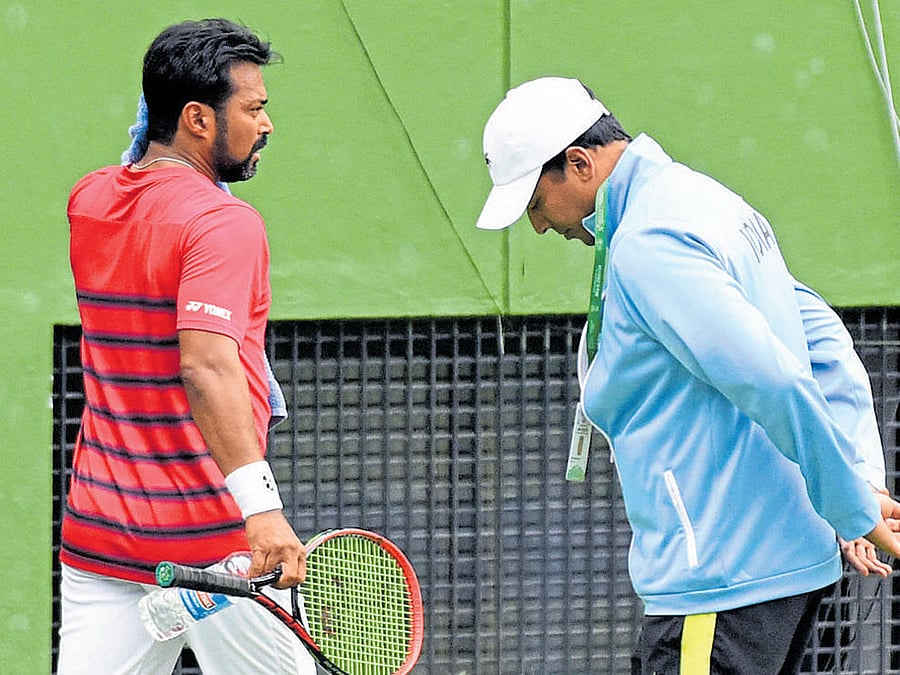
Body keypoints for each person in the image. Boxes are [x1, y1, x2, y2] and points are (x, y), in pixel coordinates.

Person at [475, 76, 899, 673]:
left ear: (578, 163)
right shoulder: (706, 199)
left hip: (724, 584)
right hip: (784, 575)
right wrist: (857, 479)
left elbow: (774, 379)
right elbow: (823, 338)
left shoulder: (648, 241)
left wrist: (851, 502)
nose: (539, 227)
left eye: (535, 204)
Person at [59, 19, 315, 674]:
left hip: (101, 541)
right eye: (254, 108)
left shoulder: (87, 201)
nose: (267, 124)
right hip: (224, 553)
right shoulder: (224, 223)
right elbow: (206, 365)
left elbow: (140, 184)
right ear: (198, 119)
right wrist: (262, 510)